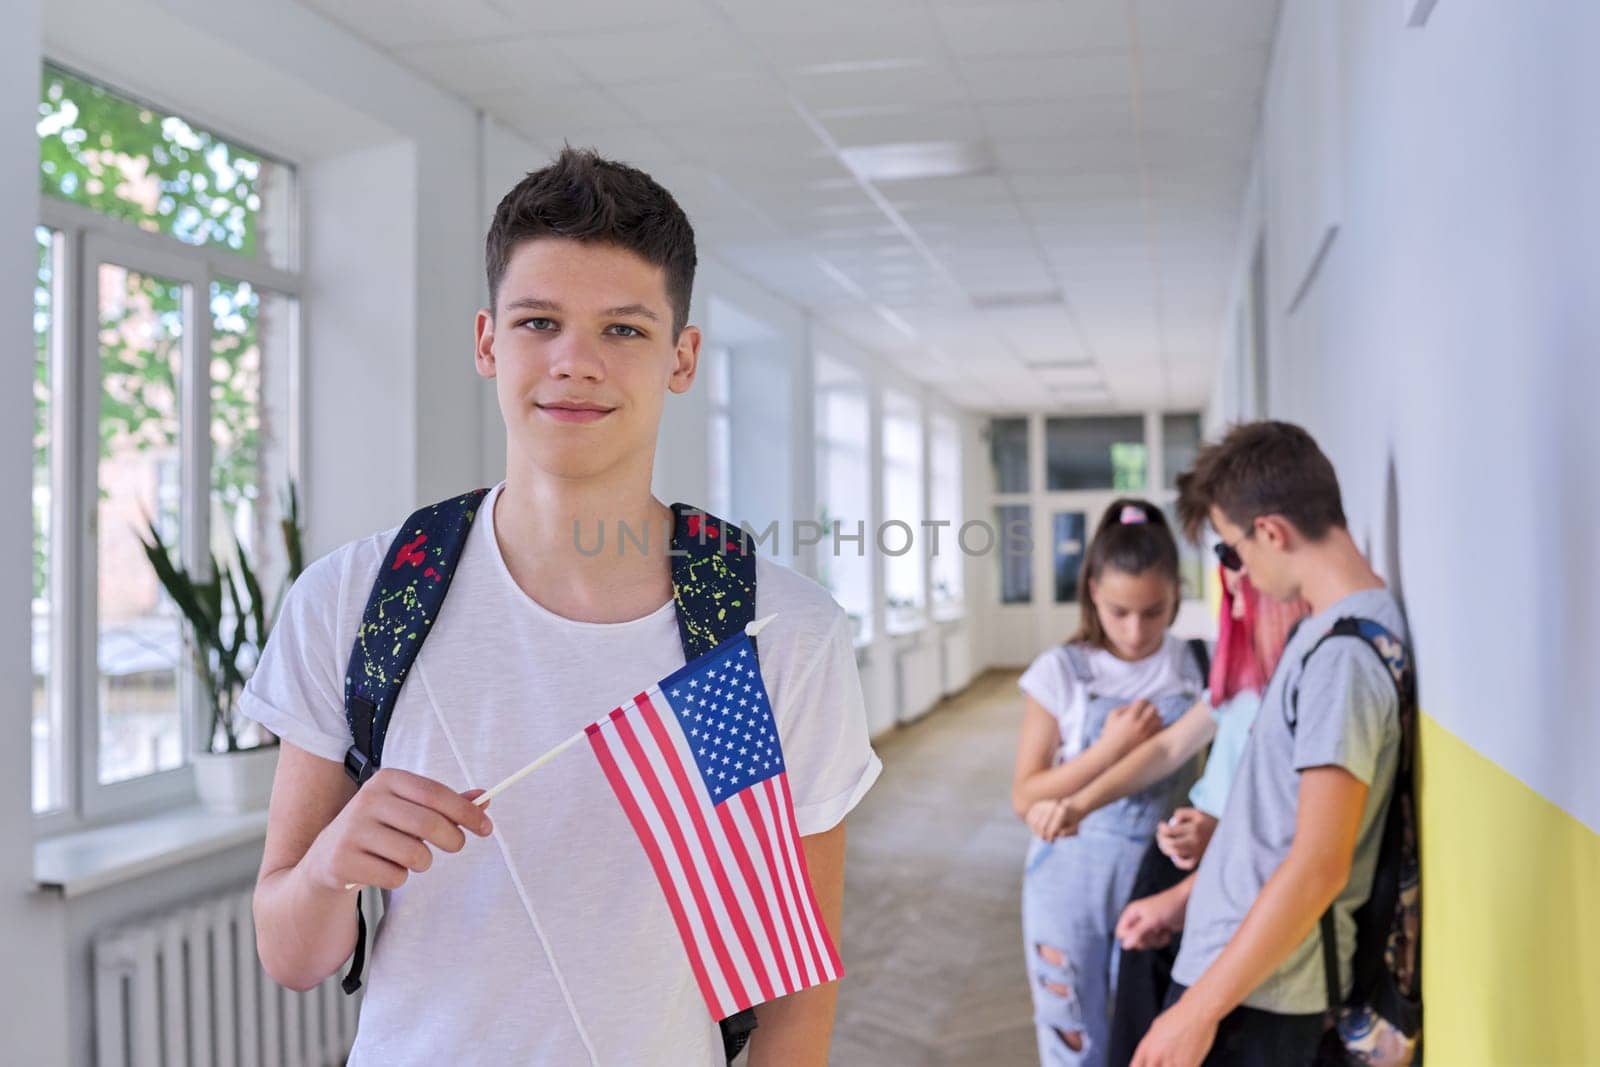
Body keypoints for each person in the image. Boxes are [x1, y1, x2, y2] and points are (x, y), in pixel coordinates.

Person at [243, 148, 882, 1066]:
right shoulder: (364, 599)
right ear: (487, 342)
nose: (575, 363)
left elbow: (794, 993)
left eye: (624, 330)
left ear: (682, 357)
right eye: (539, 320)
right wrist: (333, 862)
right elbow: (289, 954)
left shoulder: (762, 629)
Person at [1127, 421, 1408, 1067]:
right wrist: (1182, 899)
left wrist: (1196, 1012)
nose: (1238, 568)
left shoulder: (1344, 659)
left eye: (1232, 548)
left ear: (1272, 531)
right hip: (1240, 974)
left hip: (1261, 996)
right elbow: (1270, 827)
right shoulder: (1327, 633)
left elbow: (1318, 864)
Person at [1033, 567, 1309, 1065]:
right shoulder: (1239, 672)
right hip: (1177, 868)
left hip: (1220, 875)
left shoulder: (1309, 674)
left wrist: (1209, 847)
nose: (1135, 631)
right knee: (1117, 1032)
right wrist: (1080, 803)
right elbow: (1168, 747)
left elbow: (1289, 820)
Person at [1012, 500, 1210, 1066]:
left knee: (1147, 1035)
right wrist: (1108, 750)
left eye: (1154, 611)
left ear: (1176, 590)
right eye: (1120, 611)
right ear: (1093, 590)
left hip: (1160, 878)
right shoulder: (1061, 671)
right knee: (1072, 1035)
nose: (1136, 630)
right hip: (1066, 879)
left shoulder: (1200, 663)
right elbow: (1026, 795)